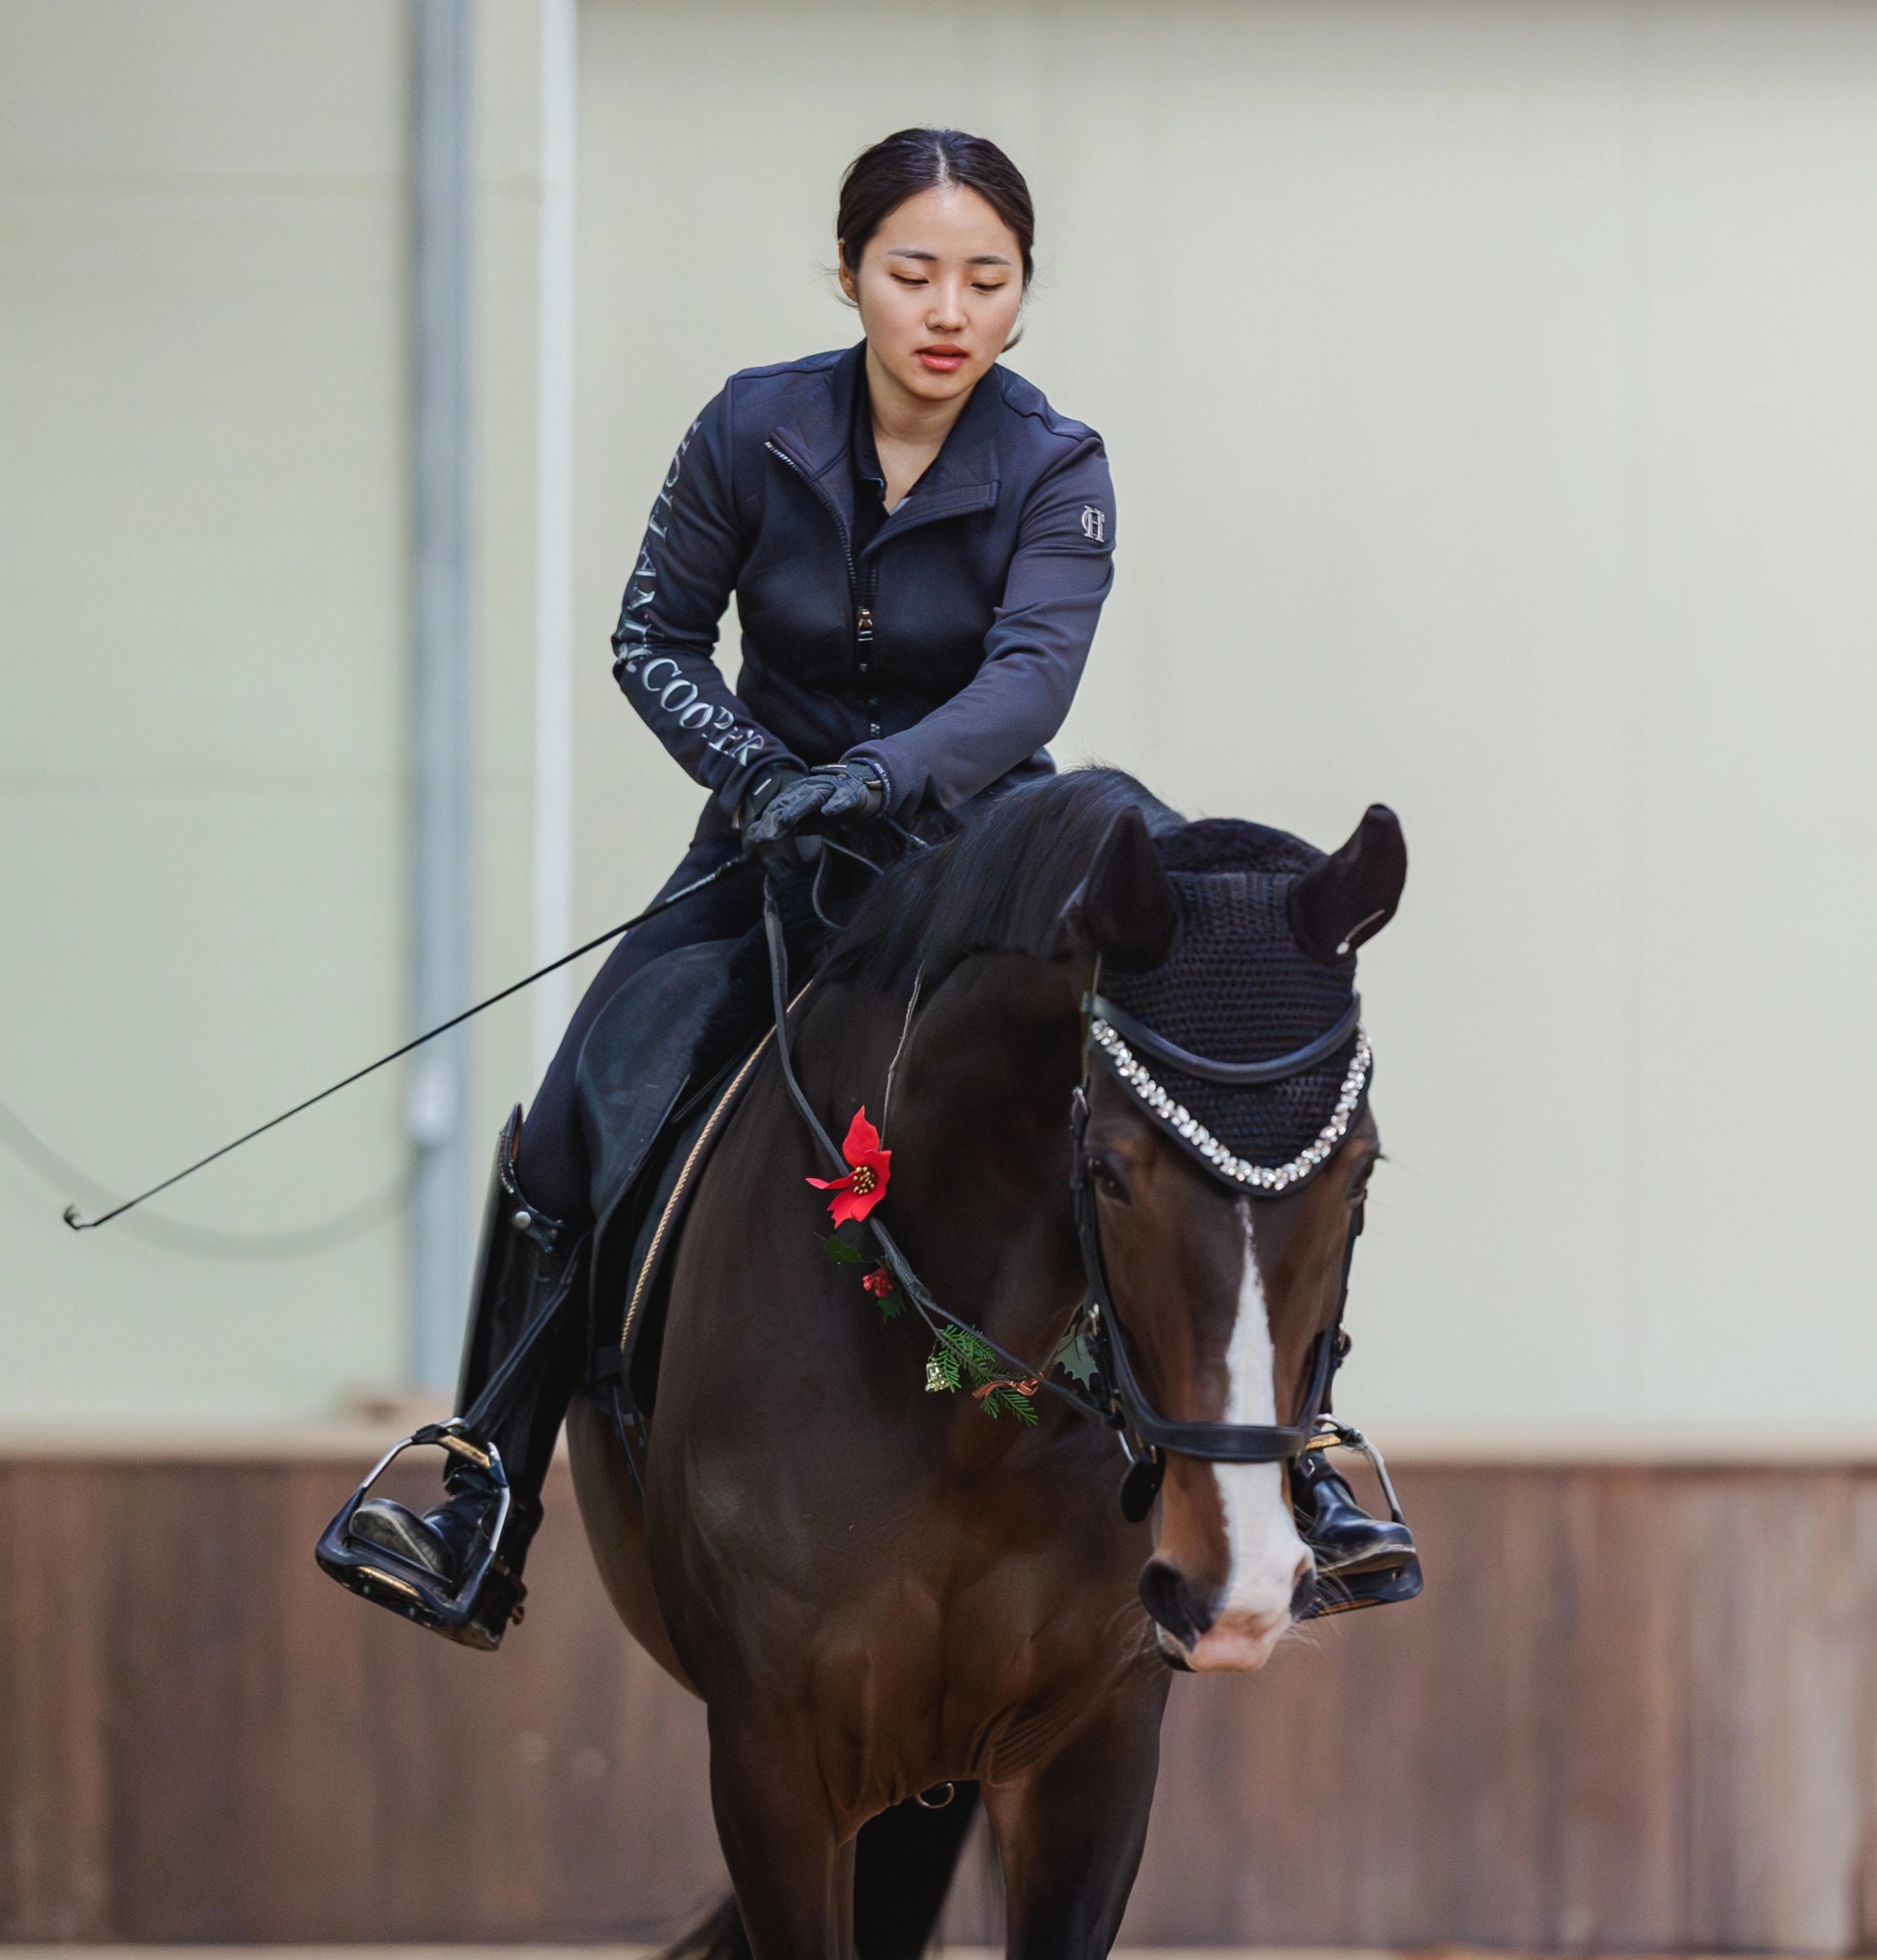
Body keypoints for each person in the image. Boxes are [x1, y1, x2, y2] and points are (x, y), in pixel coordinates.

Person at [326, 127, 1406, 1648]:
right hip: (767, 845)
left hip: (980, 856)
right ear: (849, 276)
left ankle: (1313, 1460)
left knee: (1209, 1086)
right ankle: (482, 1479)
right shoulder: (748, 430)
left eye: (986, 277)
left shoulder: (1055, 464)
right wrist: (758, 773)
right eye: (912, 272)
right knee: (582, 1102)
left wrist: (885, 781)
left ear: (1021, 295)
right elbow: (652, 639)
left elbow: (1029, 682)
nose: (948, 308)